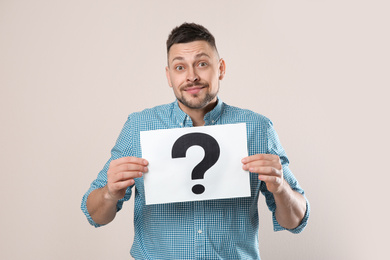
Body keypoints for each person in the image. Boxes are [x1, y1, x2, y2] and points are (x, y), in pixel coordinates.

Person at [81, 22, 310, 259]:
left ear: (220, 68)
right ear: (169, 76)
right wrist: (110, 193)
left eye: (202, 64)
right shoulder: (138, 127)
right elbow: (95, 215)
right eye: (180, 67)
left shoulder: (256, 128)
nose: (191, 76)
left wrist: (281, 189)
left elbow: (296, 221)